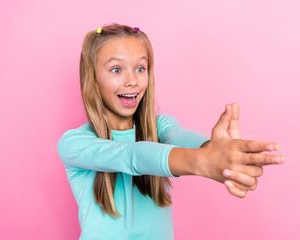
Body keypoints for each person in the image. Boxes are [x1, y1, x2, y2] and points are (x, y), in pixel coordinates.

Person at [56, 23, 286, 240]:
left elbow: (182, 138)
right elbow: (132, 156)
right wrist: (201, 161)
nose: (132, 81)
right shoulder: (75, 144)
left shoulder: (160, 126)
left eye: (140, 68)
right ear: (92, 79)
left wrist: (215, 151)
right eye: (116, 69)